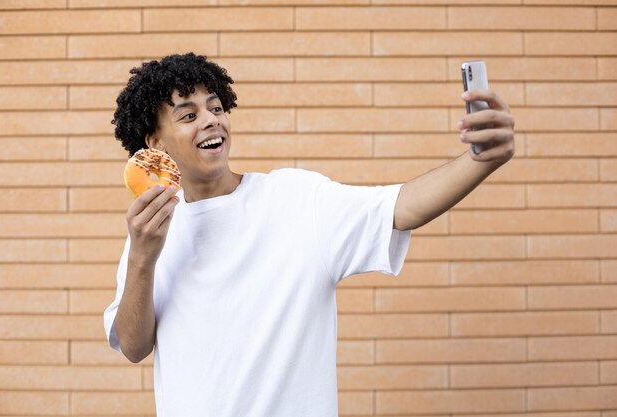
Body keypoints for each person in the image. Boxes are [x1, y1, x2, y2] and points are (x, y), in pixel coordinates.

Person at [103, 52, 515, 416]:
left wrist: (480, 160)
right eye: (189, 115)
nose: (211, 120)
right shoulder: (150, 232)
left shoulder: (295, 199)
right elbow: (135, 347)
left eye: (216, 107)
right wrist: (143, 255)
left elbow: (402, 207)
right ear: (154, 144)